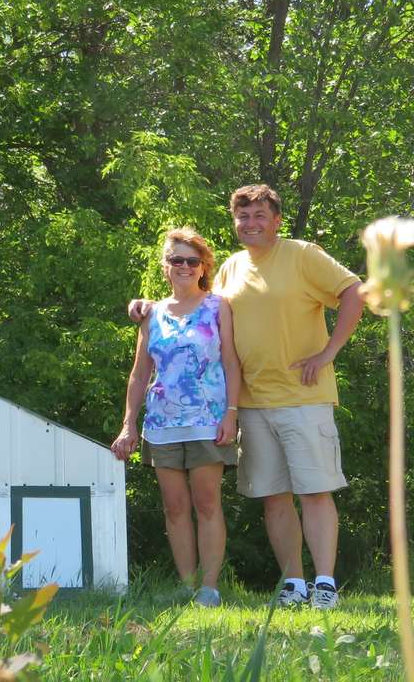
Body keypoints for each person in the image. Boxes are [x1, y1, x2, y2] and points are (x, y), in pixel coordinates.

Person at [129, 185, 364, 609]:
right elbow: (193, 306)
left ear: (276, 220)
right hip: (252, 403)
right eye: (243, 217)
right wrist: (147, 305)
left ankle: (324, 583)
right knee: (273, 497)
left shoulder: (302, 254)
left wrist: (328, 352)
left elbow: (354, 292)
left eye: (260, 215)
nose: (251, 223)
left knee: (314, 491)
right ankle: (293, 584)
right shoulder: (231, 269)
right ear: (234, 223)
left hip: (303, 395)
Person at [112, 227, 241, 608]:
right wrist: (128, 424)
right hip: (162, 425)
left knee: (206, 503)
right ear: (165, 267)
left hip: (208, 420)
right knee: (174, 507)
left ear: (202, 267)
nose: (184, 266)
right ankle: (187, 585)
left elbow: (232, 362)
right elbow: (139, 374)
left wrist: (231, 413)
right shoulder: (151, 315)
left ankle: (210, 587)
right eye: (176, 260)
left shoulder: (218, 307)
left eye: (191, 260)